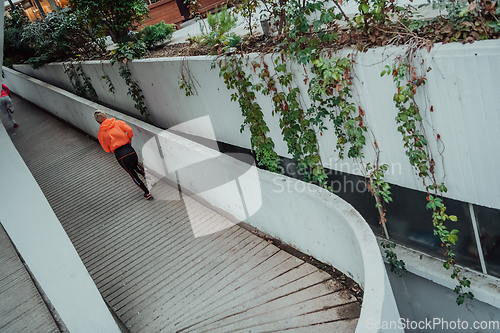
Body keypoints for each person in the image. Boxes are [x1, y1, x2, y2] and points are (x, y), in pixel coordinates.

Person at [94, 110, 153, 200]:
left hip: (120, 155)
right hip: (129, 149)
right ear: (105, 116)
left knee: (133, 174)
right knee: (136, 165)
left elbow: (107, 150)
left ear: (97, 121)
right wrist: (128, 140)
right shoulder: (117, 123)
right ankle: (150, 181)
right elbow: (129, 130)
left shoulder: (101, 134)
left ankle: (147, 193)